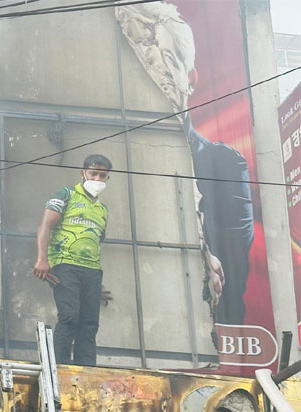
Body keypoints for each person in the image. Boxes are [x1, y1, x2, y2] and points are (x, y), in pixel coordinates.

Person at [115, 3, 254, 325]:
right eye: (143, 61)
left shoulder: (225, 163)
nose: (155, 76)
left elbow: (233, 269)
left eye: (166, 61)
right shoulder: (107, 156)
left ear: (190, 78)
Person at [33, 154, 111, 366]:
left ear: (107, 179)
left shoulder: (102, 210)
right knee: (69, 317)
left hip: (92, 271)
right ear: (83, 173)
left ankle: (87, 369)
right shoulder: (66, 194)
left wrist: (97, 286)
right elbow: (45, 226)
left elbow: (94, 244)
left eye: (102, 175)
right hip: (64, 264)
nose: (96, 179)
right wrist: (42, 259)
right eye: (93, 173)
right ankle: (60, 366)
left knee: (90, 324)